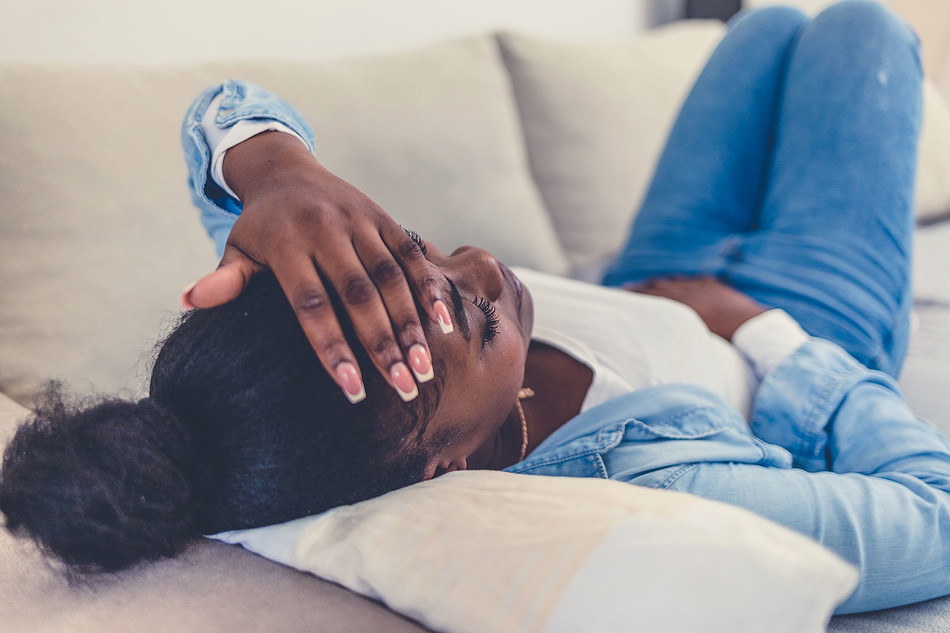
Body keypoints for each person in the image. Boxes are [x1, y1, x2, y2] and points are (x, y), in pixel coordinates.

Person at [0, 0, 943, 615]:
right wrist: (762, 331)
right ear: (440, 462)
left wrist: (274, 167)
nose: (484, 263)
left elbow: (221, 113)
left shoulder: (315, 357)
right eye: (477, 316)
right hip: (792, 329)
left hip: (649, 270)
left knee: (766, 27)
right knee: (864, 28)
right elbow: (933, 516)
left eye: (426, 250)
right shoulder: (662, 494)